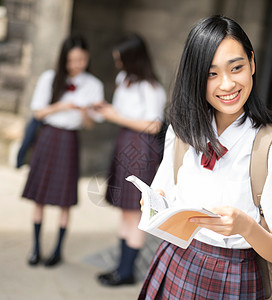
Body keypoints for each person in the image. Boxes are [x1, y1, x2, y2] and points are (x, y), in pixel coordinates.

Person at [138, 15, 272, 299]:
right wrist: (153, 201)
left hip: (233, 276)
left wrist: (245, 227)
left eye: (236, 68)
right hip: (174, 260)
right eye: (211, 74)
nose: (227, 84)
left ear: (252, 63)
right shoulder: (181, 132)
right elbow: (162, 189)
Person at [22, 35, 104, 267]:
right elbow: (38, 113)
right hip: (48, 137)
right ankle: (36, 248)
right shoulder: (49, 78)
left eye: (82, 59)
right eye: (72, 60)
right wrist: (62, 105)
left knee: (64, 199)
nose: (77, 64)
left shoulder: (94, 85)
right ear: (63, 59)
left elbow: (90, 125)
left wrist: (84, 112)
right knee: (39, 196)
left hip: (69, 139)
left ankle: (57, 250)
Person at [95, 33, 166, 286]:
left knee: (134, 211)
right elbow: (122, 112)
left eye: (120, 59)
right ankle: (121, 268)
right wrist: (106, 111)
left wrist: (115, 117)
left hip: (141, 147)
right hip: (126, 141)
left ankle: (125, 271)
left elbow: (154, 125)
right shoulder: (123, 79)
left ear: (133, 59)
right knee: (125, 211)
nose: (117, 63)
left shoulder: (150, 87)